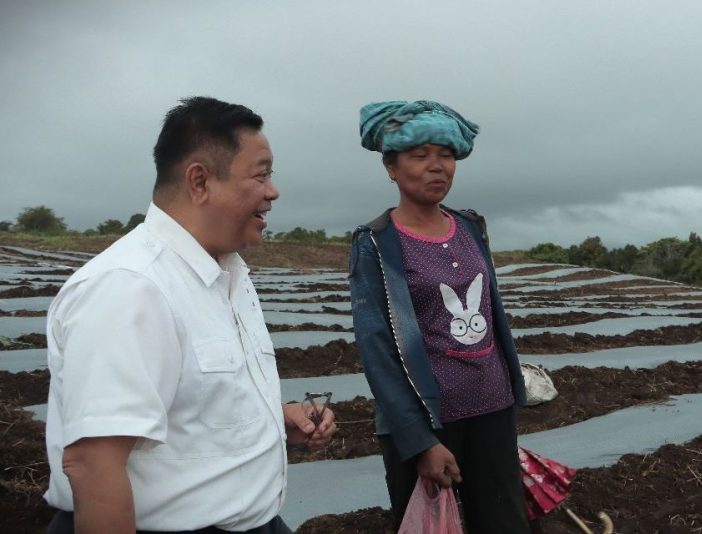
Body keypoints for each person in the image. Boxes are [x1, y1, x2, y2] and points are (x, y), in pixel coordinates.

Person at [43, 96, 337, 534]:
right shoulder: (130, 288)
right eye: (261, 175)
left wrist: (276, 418)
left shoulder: (229, 273)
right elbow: (92, 464)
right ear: (199, 181)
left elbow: (192, 403)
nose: (273, 191)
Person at [349, 100, 530, 533]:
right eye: (420, 156)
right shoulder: (375, 243)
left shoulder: (470, 227)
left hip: (493, 412)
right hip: (429, 424)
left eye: (445, 155)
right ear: (390, 167)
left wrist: (510, 399)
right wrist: (420, 441)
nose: (437, 167)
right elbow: (377, 351)